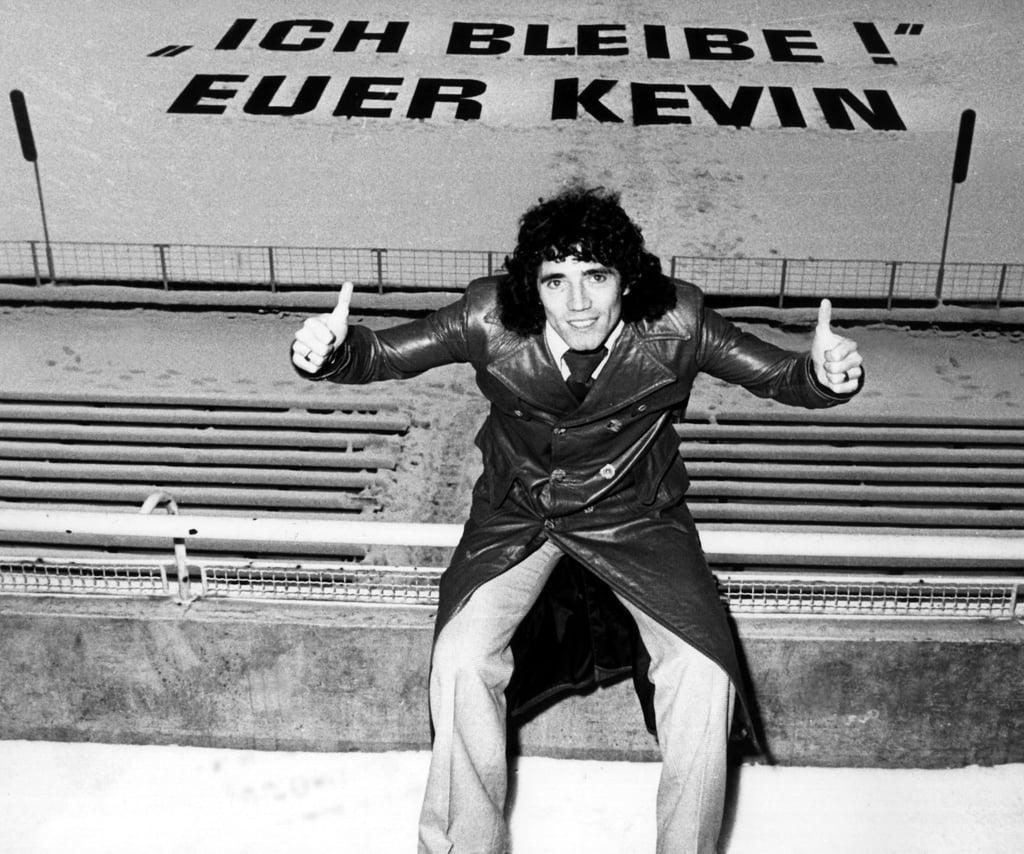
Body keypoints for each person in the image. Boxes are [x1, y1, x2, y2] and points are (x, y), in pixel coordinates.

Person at [291, 186, 864, 854]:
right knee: (460, 660)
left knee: (703, 673)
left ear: (629, 281)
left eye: (596, 276)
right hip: (518, 514)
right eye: (555, 281)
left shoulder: (679, 322)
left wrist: (825, 374)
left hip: (638, 517)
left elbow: (781, 376)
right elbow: (382, 355)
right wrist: (329, 350)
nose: (578, 302)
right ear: (532, 289)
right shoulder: (487, 317)